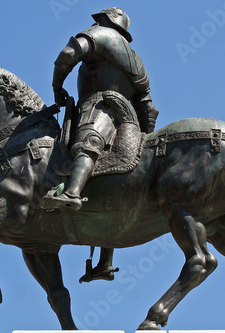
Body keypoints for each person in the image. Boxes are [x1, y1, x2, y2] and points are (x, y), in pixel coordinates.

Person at [41, 7, 160, 282]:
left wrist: (57, 86)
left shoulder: (101, 36)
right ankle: (105, 262)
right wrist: (144, 136)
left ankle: (71, 193)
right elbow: (148, 107)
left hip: (100, 105)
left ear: (105, 21)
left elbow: (67, 55)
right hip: (128, 118)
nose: (93, 23)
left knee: (88, 143)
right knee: (111, 175)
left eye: (97, 20)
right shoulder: (137, 61)